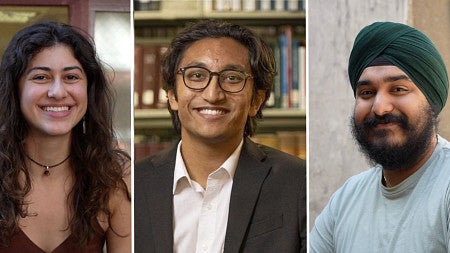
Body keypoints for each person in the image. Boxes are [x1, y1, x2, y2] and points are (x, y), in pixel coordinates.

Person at [135, 19, 306, 253]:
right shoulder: (134, 184)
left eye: (232, 78)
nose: (213, 94)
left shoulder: (298, 183)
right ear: (172, 95)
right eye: (196, 76)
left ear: (256, 100)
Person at [310, 21, 450, 252]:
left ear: (431, 102)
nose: (380, 107)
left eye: (398, 89)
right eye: (367, 93)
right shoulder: (345, 201)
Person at [0, 21, 131, 252]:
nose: (58, 92)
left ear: (89, 90)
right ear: (15, 89)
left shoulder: (114, 178)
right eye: (41, 77)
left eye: (71, 77)